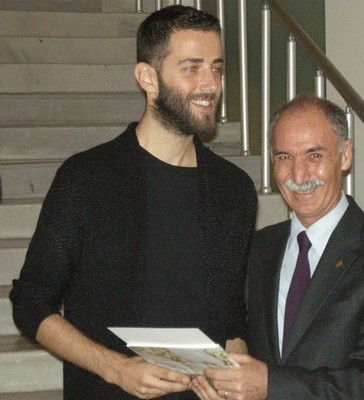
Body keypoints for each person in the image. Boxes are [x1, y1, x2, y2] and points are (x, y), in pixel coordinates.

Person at [10, 5, 257, 400]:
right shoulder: (86, 178)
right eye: (191, 68)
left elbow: (231, 314)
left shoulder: (234, 189)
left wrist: (233, 367)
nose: (211, 85)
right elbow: (30, 304)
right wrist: (117, 369)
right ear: (148, 78)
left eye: (217, 68)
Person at [191, 95, 364, 400]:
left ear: (345, 156)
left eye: (314, 155)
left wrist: (270, 385)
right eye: (284, 157)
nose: (298, 175)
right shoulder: (258, 248)